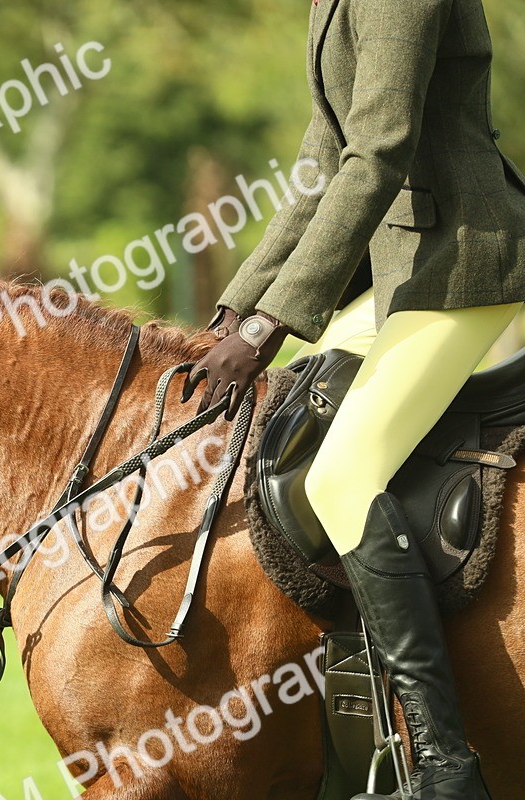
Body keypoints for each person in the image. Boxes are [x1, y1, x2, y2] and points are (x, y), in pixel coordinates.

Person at [182, 1, 525, 798]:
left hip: (467, 265)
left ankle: (447, 766)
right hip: (406, 270)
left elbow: (379, 150)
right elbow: (321, 161)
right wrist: (237, 308)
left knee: (342, 477)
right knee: (295, 427)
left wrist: (271, 326)